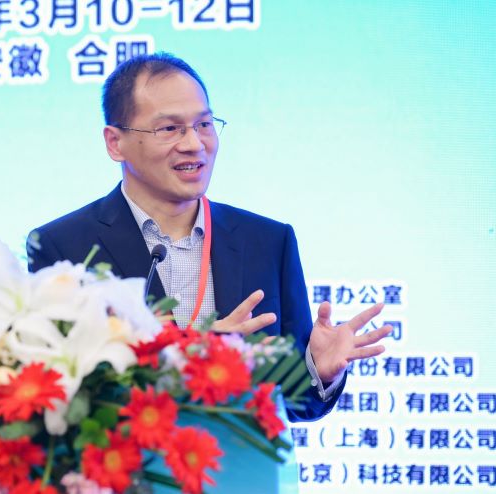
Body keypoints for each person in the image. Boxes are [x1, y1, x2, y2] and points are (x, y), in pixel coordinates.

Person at [27, 52, 391, 422]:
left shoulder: (267, 242)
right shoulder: (64, 248)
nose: (194, 143)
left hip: (238, 459)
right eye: (169, 129)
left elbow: (293, 404)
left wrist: (317, 370)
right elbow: (59, 396)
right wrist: (191, 361)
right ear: (115, 143)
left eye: (204, 124)